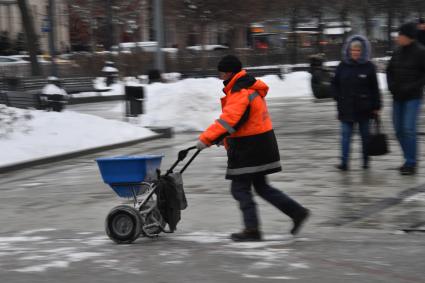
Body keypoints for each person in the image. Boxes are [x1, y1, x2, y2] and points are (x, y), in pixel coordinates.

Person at [195, 55, 310, 242]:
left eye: (222, 73)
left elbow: (229, 120)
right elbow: (242, 122)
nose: (220, 77)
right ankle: (297, 212)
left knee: (240, 189)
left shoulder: (240, 92)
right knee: (262, 186)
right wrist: (221, 140)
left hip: (249, 148)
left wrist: (205, 139)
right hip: (260, 143)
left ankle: (252, 230)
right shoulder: (247, 87)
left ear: (230, 73)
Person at [331, 35, 382, 171]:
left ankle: (365, 161)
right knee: (345, 137)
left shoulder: (369, 67)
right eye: (353, 50)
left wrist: (376, 106)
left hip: (364, 108)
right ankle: (344, 162)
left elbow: (375, 88)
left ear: (362, 51)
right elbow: (334, 84)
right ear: (348, 51)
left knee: (365, 137)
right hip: (346, 108)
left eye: (358, 51)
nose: (355, 53)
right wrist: (337, 97)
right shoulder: (342, 66)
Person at [387, 22, 425, 175]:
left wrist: (413, 87)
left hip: (412, 97)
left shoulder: (421, 52)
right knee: (398, 130)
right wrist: (391, 86)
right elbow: (389, 71)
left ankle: (411, 162)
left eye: (400, 35)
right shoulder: (397, 52)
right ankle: (408, 158)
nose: (398, 37)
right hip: (397, 96)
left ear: (408, 37)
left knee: (408, 129)